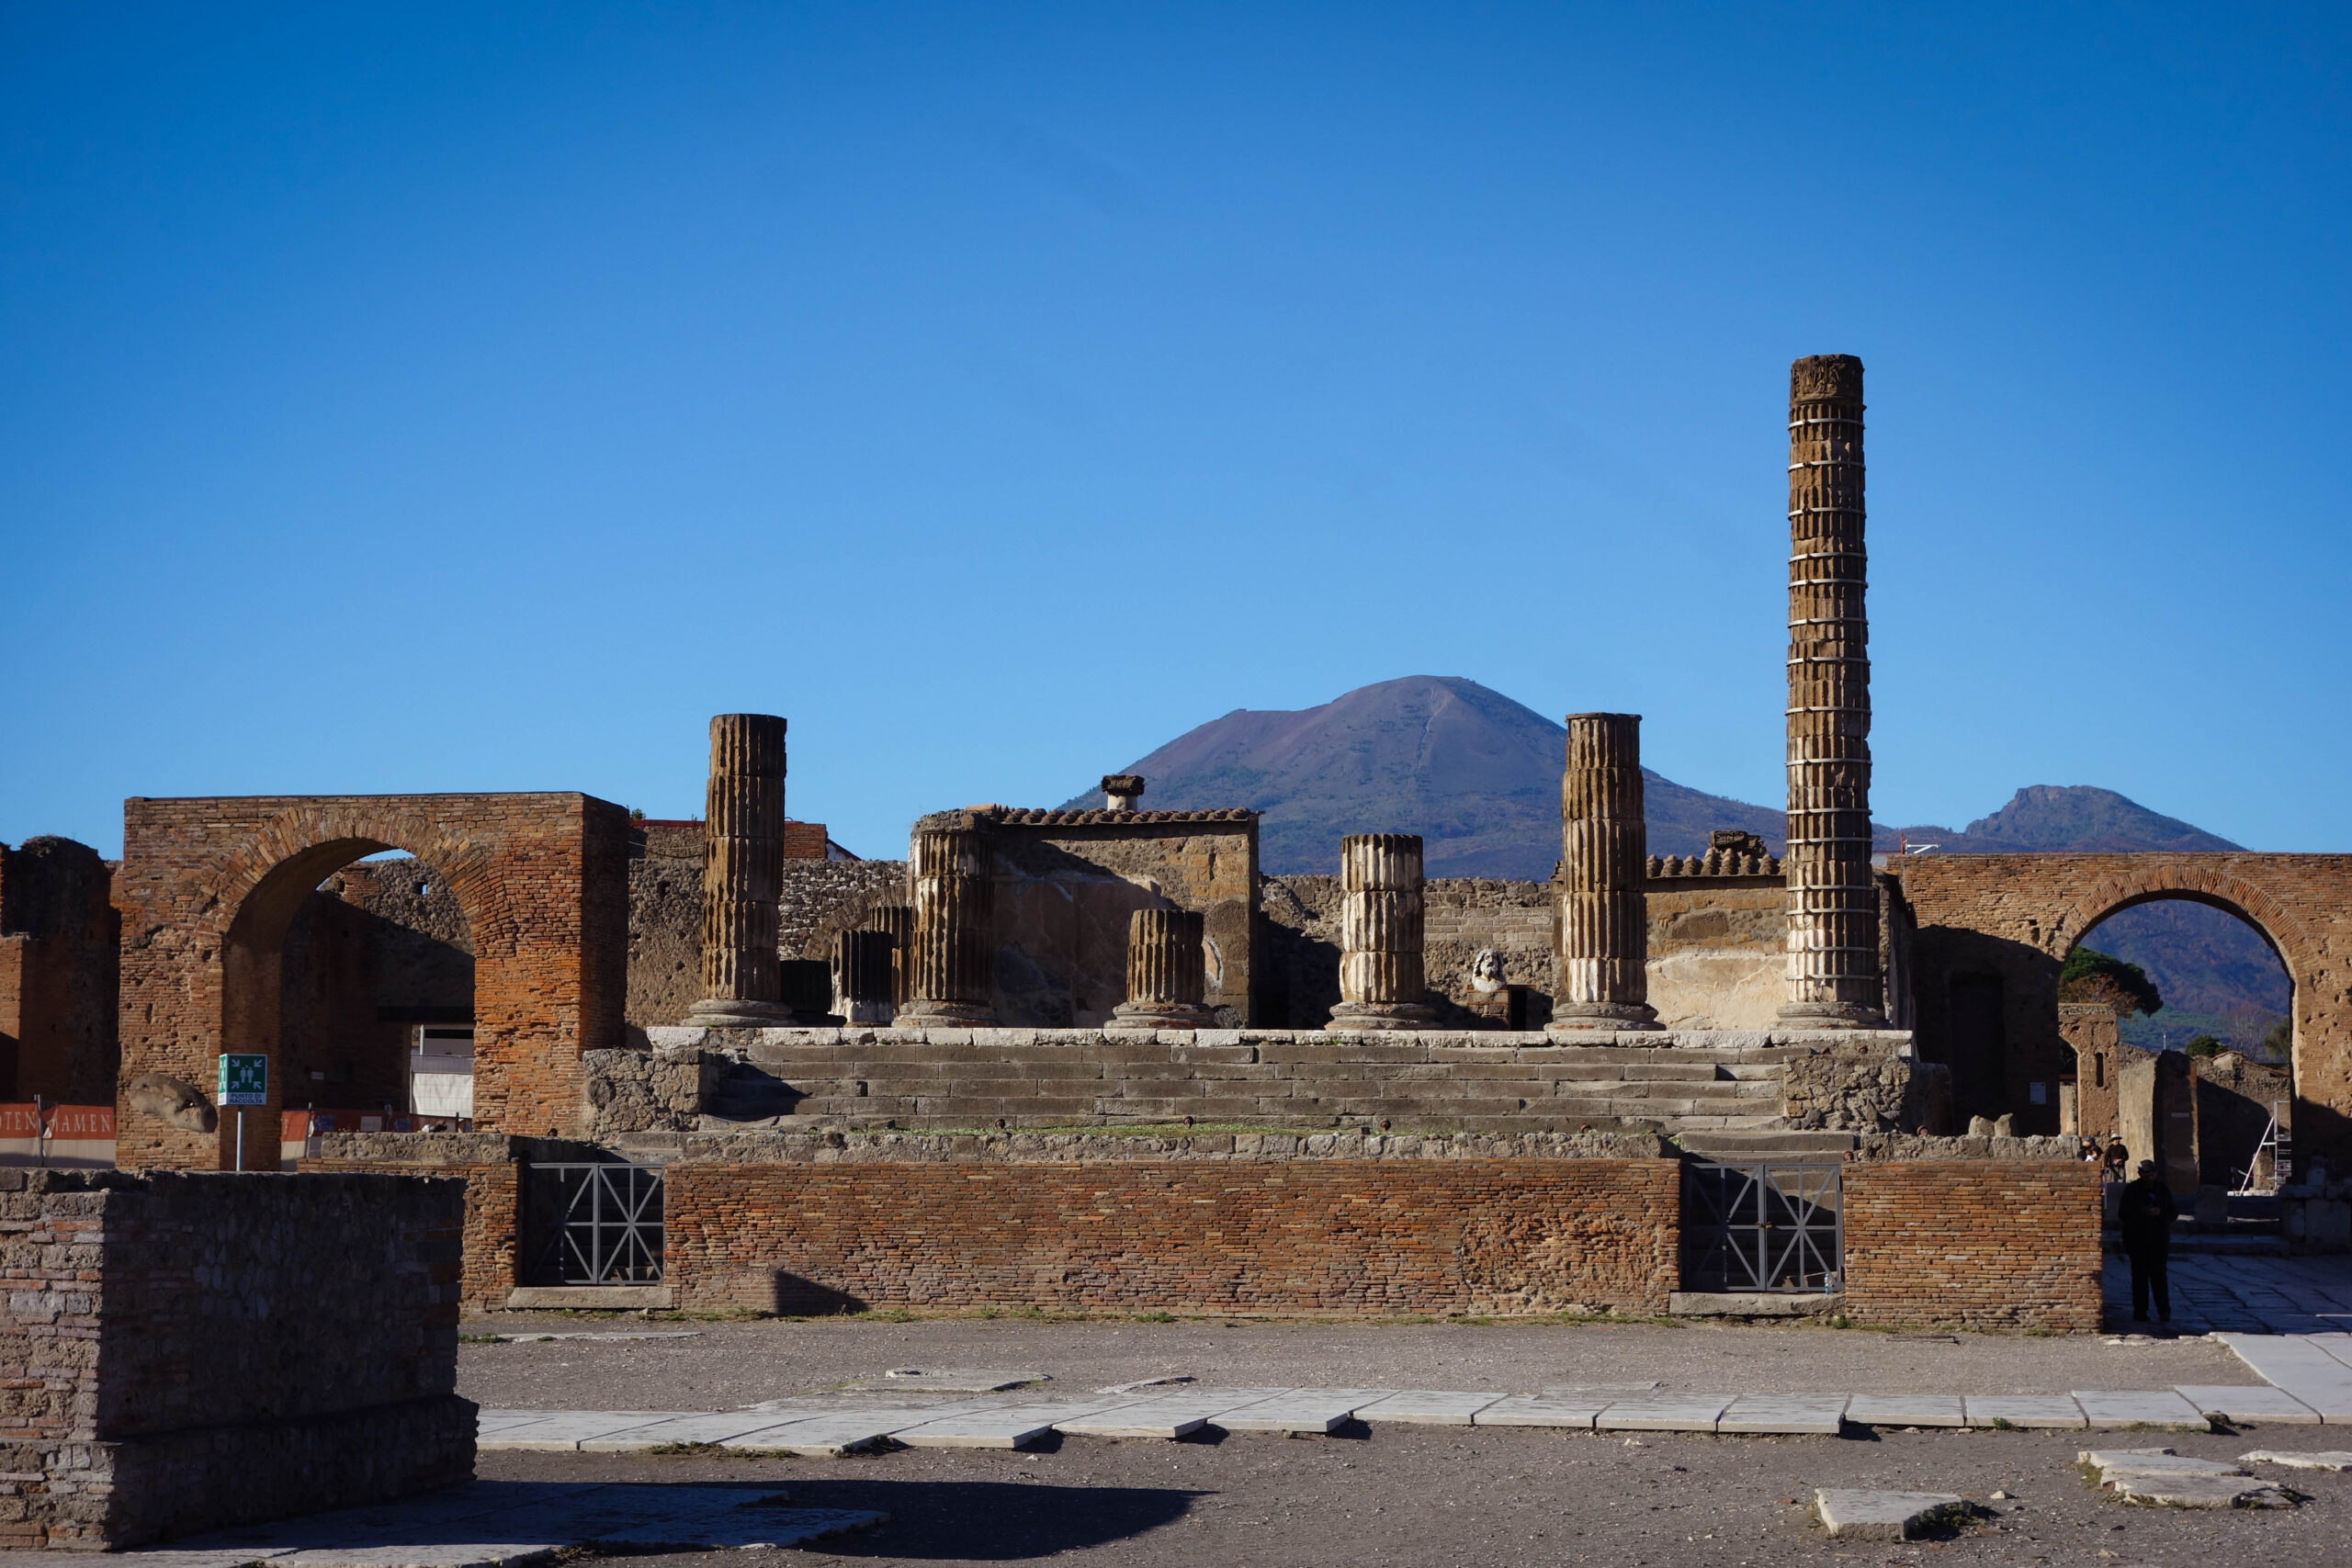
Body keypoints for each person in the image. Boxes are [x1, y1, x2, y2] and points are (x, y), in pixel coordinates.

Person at [2118, 1159, 2179, 1325]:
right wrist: (2142, 1213)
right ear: (2140, 1174)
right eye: (2146, 1175)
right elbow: (2123, 1214)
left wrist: (2160, 1212)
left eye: (2152, 1174)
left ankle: (2164, 1311)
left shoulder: (2162, 1190)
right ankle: (2140, 1311)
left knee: (2159, 1277)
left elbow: (2173, 1213)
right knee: (2139, 1277)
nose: (2149, 1178)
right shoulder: (2132, 1190)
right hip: (2137, 1240)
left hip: (2159, 1240)